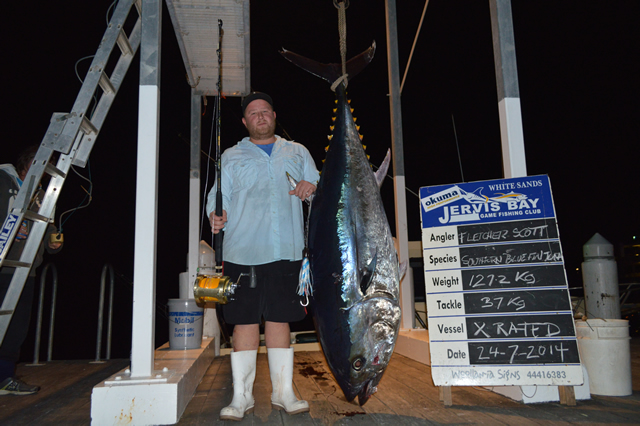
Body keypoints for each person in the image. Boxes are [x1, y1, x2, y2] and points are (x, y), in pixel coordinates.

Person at [207, 92, 319, 420]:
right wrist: (218, 214)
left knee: (279, 318)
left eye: (265, 111)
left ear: (273, 115)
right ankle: (241, 396)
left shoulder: (297, 151)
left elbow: (317, 182)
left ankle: (283, 392)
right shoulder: (231, 156)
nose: (260, 117)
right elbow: (218, 195)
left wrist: (310, 187)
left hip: (286, 250)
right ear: (244, 122)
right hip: (243, 251)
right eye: (253, 113)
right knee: (243, 322)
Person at [0, 146, 63, 395]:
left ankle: (5, 378)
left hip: (26, 270)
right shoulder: (4, 182)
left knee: (16, 329)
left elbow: (48, 227)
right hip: (3, 266)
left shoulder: (41, 195)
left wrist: (53, 241)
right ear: (28, 165)